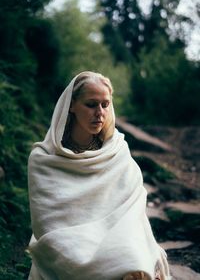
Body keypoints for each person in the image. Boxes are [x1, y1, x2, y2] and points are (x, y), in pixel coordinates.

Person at [28, 71, 171, 280]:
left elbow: (132, 215)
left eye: (105, 104)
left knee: (131, 261)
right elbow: (47, 224)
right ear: (72, 105)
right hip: (68, 244)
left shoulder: (117, 152)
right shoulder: (43, 160)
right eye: (91, 104)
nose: (100, 113)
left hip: (116, 241)